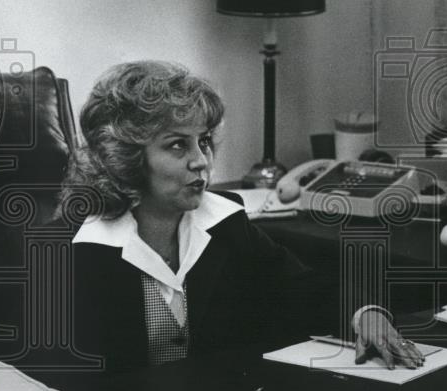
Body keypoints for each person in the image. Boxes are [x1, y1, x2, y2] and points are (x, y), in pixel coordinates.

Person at [59, 60, 423, 373]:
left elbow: (301, 287)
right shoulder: (75, 250)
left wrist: (365, 313)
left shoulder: (225, 223)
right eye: (176, 144)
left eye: (203, 140)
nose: (200, 160)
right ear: (126, 157)